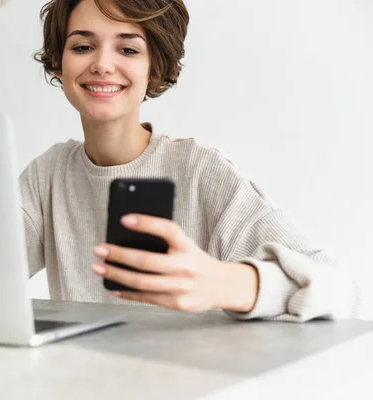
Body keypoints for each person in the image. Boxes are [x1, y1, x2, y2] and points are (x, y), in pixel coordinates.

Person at [19, 0, 361, 322]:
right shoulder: (47, 175)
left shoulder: (201, 171)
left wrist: (223, 284)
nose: (102, 64)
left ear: (155, 65)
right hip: (80, 379)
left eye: (128, 49)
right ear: (58, 62)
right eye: (82, 47)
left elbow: (340, 289)